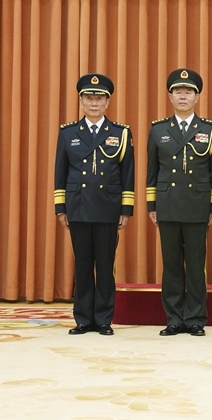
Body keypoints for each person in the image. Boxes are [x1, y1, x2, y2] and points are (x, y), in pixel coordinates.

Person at [54, 73, 134, 336]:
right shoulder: (68, 133)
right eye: (89, 98)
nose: (94, 103)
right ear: (81, 102)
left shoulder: (120, 133)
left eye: (99, 98)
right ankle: (83, 319)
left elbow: (127, 173)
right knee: (83, 265)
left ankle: (103, 319)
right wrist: (61, 207)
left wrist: (126, 208)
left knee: (106, 266)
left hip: (108, 207)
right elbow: (60, 172)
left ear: (107, 102)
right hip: (78, 206)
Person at [147, 68, 212, 337]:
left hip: (197, 204)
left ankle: (195, 318)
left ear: (197, 97)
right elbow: (152, 171)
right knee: (171, 265)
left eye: (188, 92)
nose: (183, 96)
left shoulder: (210, 129)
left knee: (195, 264)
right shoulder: (158, 129)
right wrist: (152, 205)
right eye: (178, 92)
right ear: (170, 97)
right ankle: (174, 318)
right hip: (167, 204)